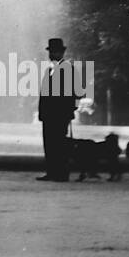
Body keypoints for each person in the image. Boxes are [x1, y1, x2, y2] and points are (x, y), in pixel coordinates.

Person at [37, 38, 77, 182]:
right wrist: (41, 113)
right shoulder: (49, 70)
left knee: (59, 144)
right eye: (51, 52)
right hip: (48, 115)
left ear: (62, 53)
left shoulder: (68, 68)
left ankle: (61, 173)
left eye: (56, 52)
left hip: (60, 114)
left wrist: (69, 110)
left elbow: (73, 92)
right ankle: (52, 171)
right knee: (49, 143)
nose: (53, 54)